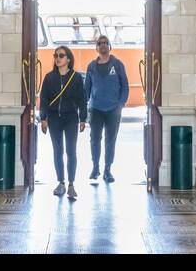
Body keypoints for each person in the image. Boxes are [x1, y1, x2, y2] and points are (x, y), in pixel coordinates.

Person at [38, 44, 87, 200]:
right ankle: (61, 183)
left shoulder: (76, 78)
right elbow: (44, 99)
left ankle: (71, 184)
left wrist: (83, 119)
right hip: (54, 119)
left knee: (71, 151)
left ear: (68, 59)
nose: (57, 58)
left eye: (61, 55)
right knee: (57, 151)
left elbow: (82, 100)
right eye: (56, 55)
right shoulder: (49, 77)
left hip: (71, 118)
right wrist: (43, 118)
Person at [85, 35, 129, 183]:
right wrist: (83, 109)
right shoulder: (91, 66)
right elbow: (87, 89)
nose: (103, 45)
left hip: (113, 110)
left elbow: (125, 85)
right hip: (95, 109)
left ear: (110, 46)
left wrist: (120, 104)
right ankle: (95, 167)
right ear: (96, 48)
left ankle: (107, 169)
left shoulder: (117, 64)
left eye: (105, 43)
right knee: (94, 139)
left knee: (110, 140)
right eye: (100, 43)